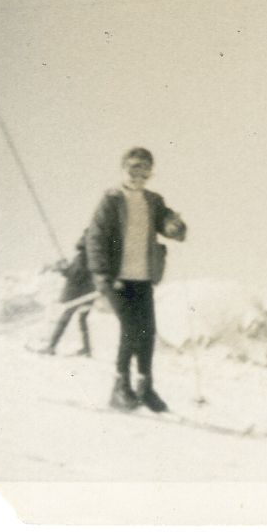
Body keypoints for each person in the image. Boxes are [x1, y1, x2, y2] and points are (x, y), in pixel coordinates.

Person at [85, 147, 187, 413]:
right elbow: (94, 238)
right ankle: (120, 388)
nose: (138, 175)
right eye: (133, 169)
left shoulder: (153, 200)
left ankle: (145, 387)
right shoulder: (111, 200)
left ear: (151, 174)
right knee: (131, 329)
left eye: (144, 170)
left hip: (142, 277)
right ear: (123, 170)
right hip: (117, 279)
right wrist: (102, 275)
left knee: (147, 333)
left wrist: (174, 227)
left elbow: (167, 221)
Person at [35, 234, 96, 357]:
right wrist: (66, 267)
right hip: (89, 293)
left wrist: (62, 269)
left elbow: (74, 275)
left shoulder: (81, 257)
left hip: (77, 294)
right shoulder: (94, 256)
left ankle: (51, 347)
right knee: (82, 320)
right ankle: (87, 349)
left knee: (64, 319)